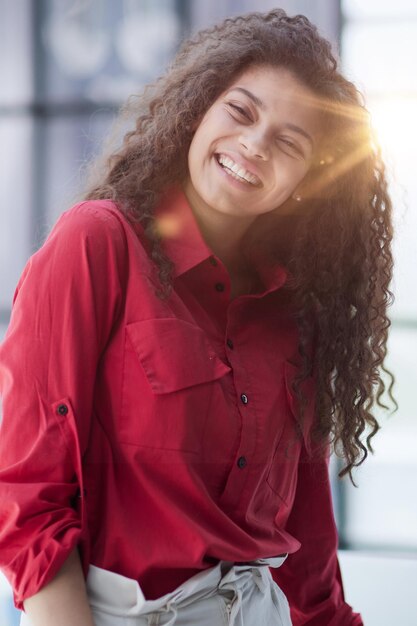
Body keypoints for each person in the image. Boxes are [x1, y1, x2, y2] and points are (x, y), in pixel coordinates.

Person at [0, 9, 395, 626]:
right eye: (241, 112)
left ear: (304, 181)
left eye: (289, 142)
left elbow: (309, 546)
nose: (254, 145)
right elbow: (26, 491)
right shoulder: (98, 244)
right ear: (198, 112)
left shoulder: (298, 313)